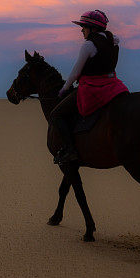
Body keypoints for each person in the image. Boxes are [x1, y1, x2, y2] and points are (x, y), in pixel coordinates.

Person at [50, 10, 129, 164]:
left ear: (92, 28)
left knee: (56, 114)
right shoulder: (114, 40)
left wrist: (64, 88)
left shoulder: (88, 45)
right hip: (113, 85)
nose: (82, 30)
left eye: (84, 27)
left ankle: (70, 151)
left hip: (93, 89)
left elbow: (75, 72)